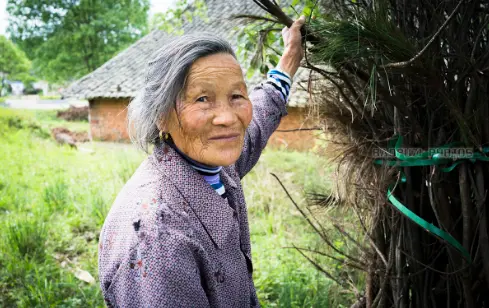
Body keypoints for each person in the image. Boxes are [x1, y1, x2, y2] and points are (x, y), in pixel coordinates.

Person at [98, 16, 305, 307]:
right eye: (202, 99)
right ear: (161, 116)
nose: (228, 118)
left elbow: (260, 114)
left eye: (236, 95)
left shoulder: (214, 163)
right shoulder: (157, 242)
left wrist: (288, 61)